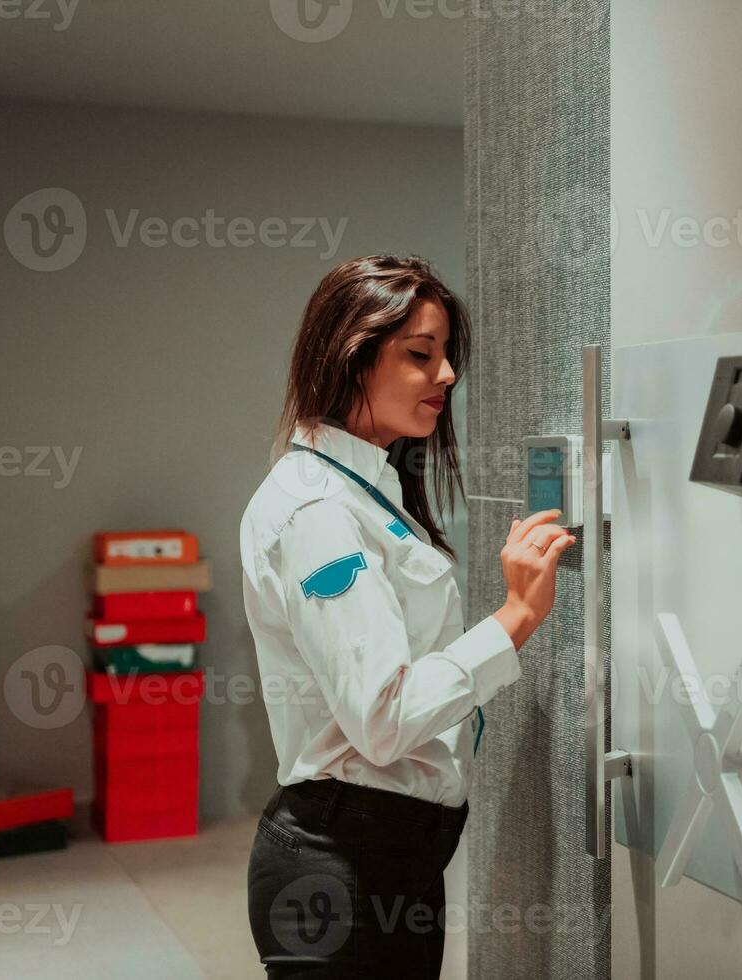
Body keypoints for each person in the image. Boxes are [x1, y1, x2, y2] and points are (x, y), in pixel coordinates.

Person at [239, 254, 574, 976]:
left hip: (393, 858)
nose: (448, 375)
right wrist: (516, 615)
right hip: (343, 867)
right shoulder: (319, 511)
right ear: (350, 360)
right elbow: (383, 717)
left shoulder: (362, 487)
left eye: (446, 353)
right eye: (420, 355)